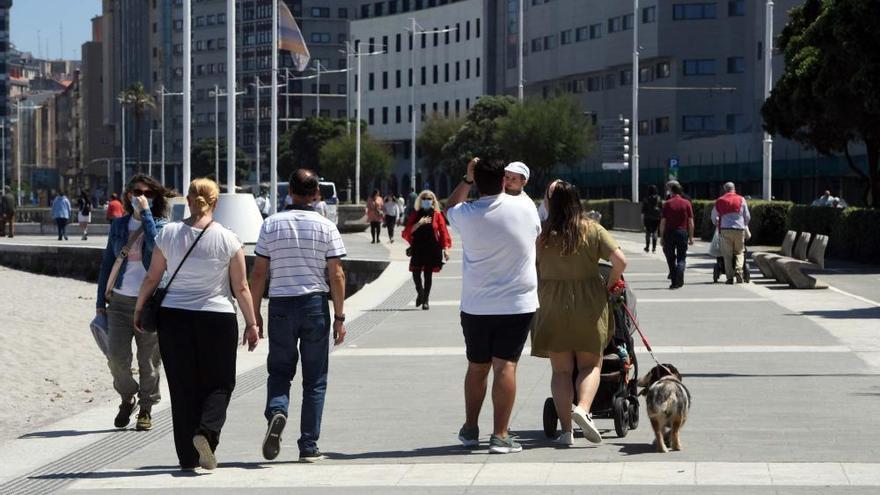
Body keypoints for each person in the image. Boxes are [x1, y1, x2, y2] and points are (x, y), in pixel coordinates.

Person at [133, 178, 260, 471]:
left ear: (188, 200)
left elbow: (152, 278)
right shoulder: (229, 239)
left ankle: (187, 458)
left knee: (182, 388)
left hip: (174, 318)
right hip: (217, 318)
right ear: (215, 203)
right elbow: (241, 287)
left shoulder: (168, 235)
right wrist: (252, 324)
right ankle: (206, 433)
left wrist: (139, 310)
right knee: (220, 383)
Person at [251, 169, 347, 464]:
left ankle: (278, 410)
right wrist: (340, 316)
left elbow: (259, 273)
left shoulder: (270, 225)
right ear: (316, 193)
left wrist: (254, 314)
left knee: (279, 371)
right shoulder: (326, 226)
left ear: (289, 192)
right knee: (315, 379)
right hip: (315, 306)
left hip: (280, 304)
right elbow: (337, 274)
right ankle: (308, 445)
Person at [446, 157, 541, 454]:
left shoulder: (467, 213)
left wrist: (467, 178)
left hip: (476, 305)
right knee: (505, 366)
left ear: (477, 181)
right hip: (517, 302)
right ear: (504, 179)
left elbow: (449, 205)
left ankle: (471, 429)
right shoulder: (526, 209)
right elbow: (536, 232)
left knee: (477, 367)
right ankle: (500, 435)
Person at [531, 180, 627, 446]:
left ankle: (566, 432)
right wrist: (609, 285)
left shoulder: (542, 235)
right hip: (589, 302)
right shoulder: (592, 230)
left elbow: (531, 267)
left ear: (550, 204)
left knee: (561, 371)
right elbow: (620, 262)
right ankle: (583, 409)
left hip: (551, 303)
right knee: (589, 365)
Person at [95, 175, 172, 432]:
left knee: (148, 361)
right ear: (128, 195)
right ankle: (128, 397)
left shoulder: (161, 224)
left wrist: (146, 214)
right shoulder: (118, 226)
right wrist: (99, 302)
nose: (142, 197)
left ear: (155, 198)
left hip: (148, 303)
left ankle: (146, 408)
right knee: (116, 357)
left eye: (148, 194)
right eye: (137, 192)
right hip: (118, 301)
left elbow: (155, 244)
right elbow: (107, 263)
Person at [402, 190, 452, 309]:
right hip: (418, 247)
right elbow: (407, 231)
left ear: (433, 201)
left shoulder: (437, 215)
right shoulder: (416, 214)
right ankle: (420, 292)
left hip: (432, 247)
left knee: (428, 275)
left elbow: (443, 232)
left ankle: (426, 300)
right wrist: (419, 223)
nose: (427, 201)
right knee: (416, 273)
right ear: (420, 200)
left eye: (429, 199)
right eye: (424, 198)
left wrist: (446, 249)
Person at [711, 182, 751, 284]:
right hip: (739, 229)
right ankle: (739, 271)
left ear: (725, 190)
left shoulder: (719, 200)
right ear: (734, 189)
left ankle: (729, 278)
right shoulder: (741, 199)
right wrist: (744, 224)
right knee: (739, 252)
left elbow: (714, 217)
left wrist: (717, 223)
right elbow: (747, 217)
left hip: (725, 230)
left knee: (727, 255)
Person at [660, 180, 694, 289]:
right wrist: (691, 237)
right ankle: (680, 270)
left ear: (671, 192)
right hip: (682, 232)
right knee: (681, 257)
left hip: (669, 233)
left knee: (670, 258)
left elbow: (663, 222)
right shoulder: (686, 203)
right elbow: (690, 222)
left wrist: (661, 236)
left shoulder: (667, 204)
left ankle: (674, 282)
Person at [641, 184, 662, 253]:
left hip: (647, 217)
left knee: (648, 232)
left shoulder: (646, 198)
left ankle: (647, 247)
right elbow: (661, 208)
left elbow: (643, 210)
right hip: (656, 218)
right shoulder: (659, 198)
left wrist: (642, 220)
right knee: (655, 232)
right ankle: (654, 248)